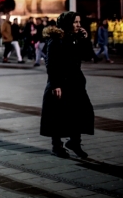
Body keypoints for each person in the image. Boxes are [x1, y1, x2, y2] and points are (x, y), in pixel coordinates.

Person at [40, 11, 95, 158]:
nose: (78, 25)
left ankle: (75, 142)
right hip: (60, 82)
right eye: (75, 22)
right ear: (67, 23)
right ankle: (56, 146)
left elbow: (89, 56)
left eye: (79, 22)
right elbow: (51, 63)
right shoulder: (56, 39)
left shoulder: (75, 37)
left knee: (80, 112)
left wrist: (85, 39)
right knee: (58, 115)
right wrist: (55, 84)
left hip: (76, 82)